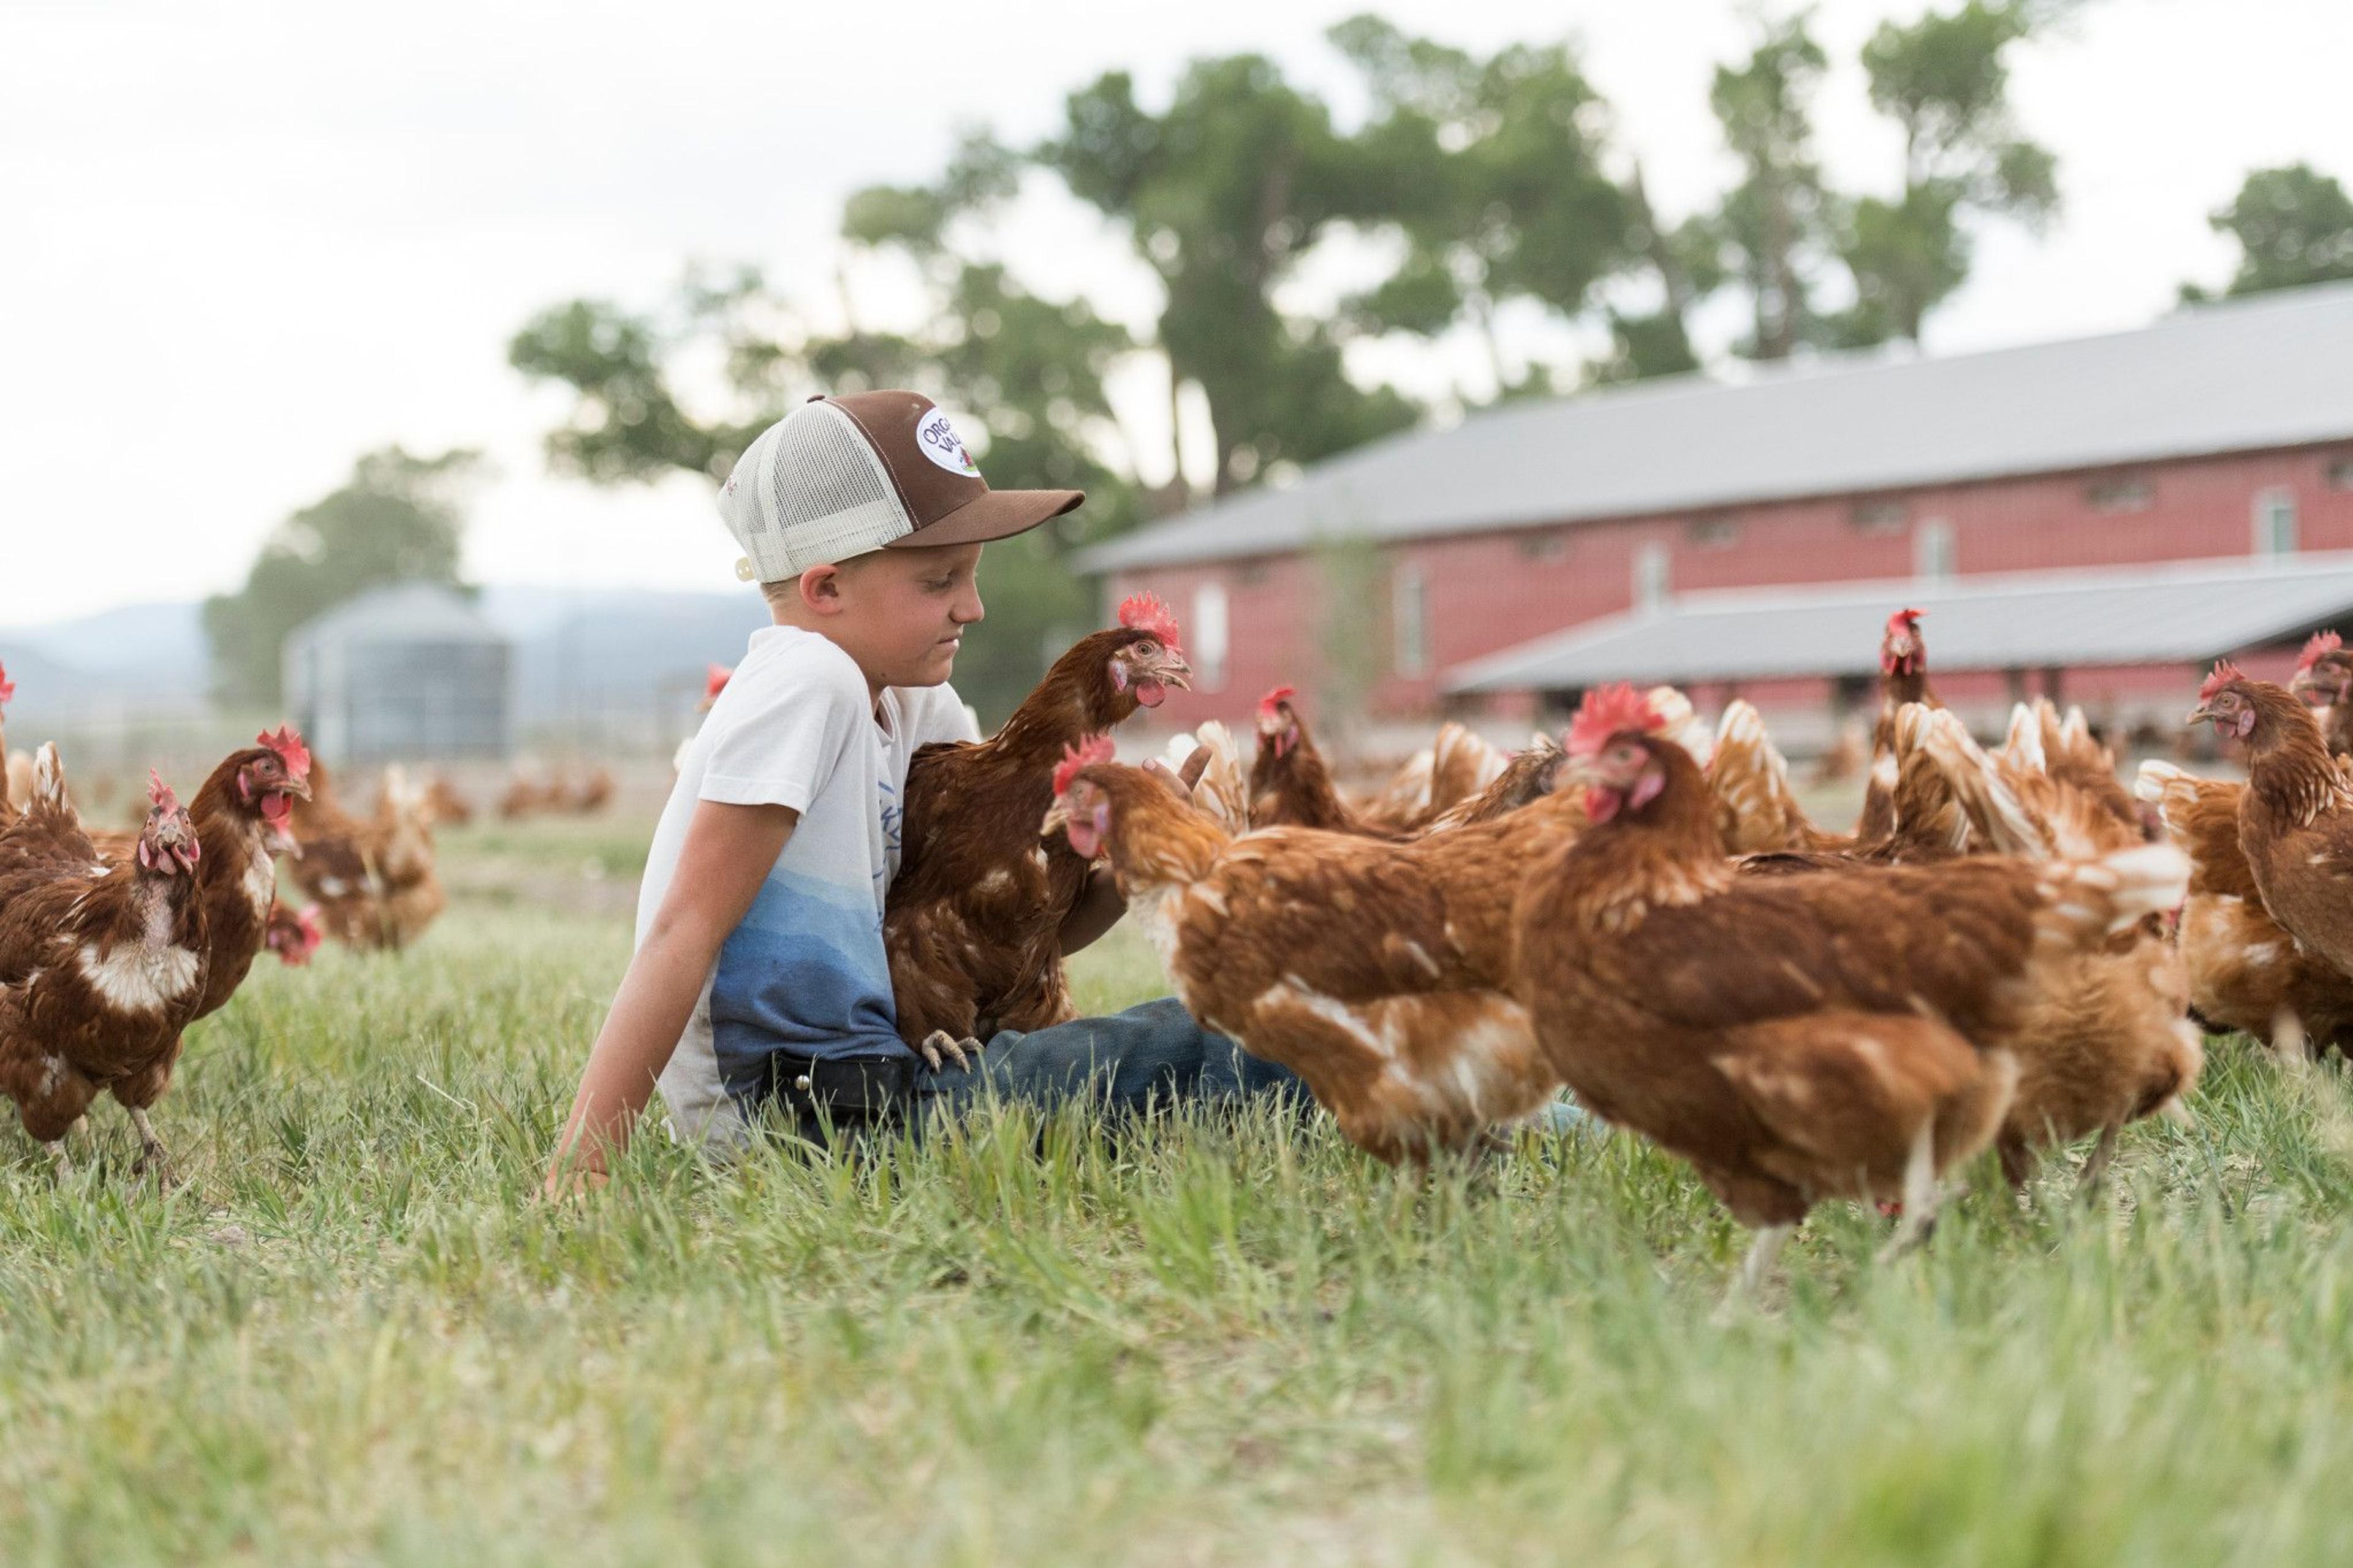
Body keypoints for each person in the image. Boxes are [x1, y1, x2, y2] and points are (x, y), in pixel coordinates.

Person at [545, 391, 1297, 1192]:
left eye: (971, 576)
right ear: (827, 588)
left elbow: (1002, 939)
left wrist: (1126, 860)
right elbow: (681, 932)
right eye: (940, 580)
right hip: (808, 1119)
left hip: (907, 1070)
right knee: (1264, 1033)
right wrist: (582, 1170)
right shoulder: (808, 678)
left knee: (1241, 1021)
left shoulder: (916, 705)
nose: (972, 607)